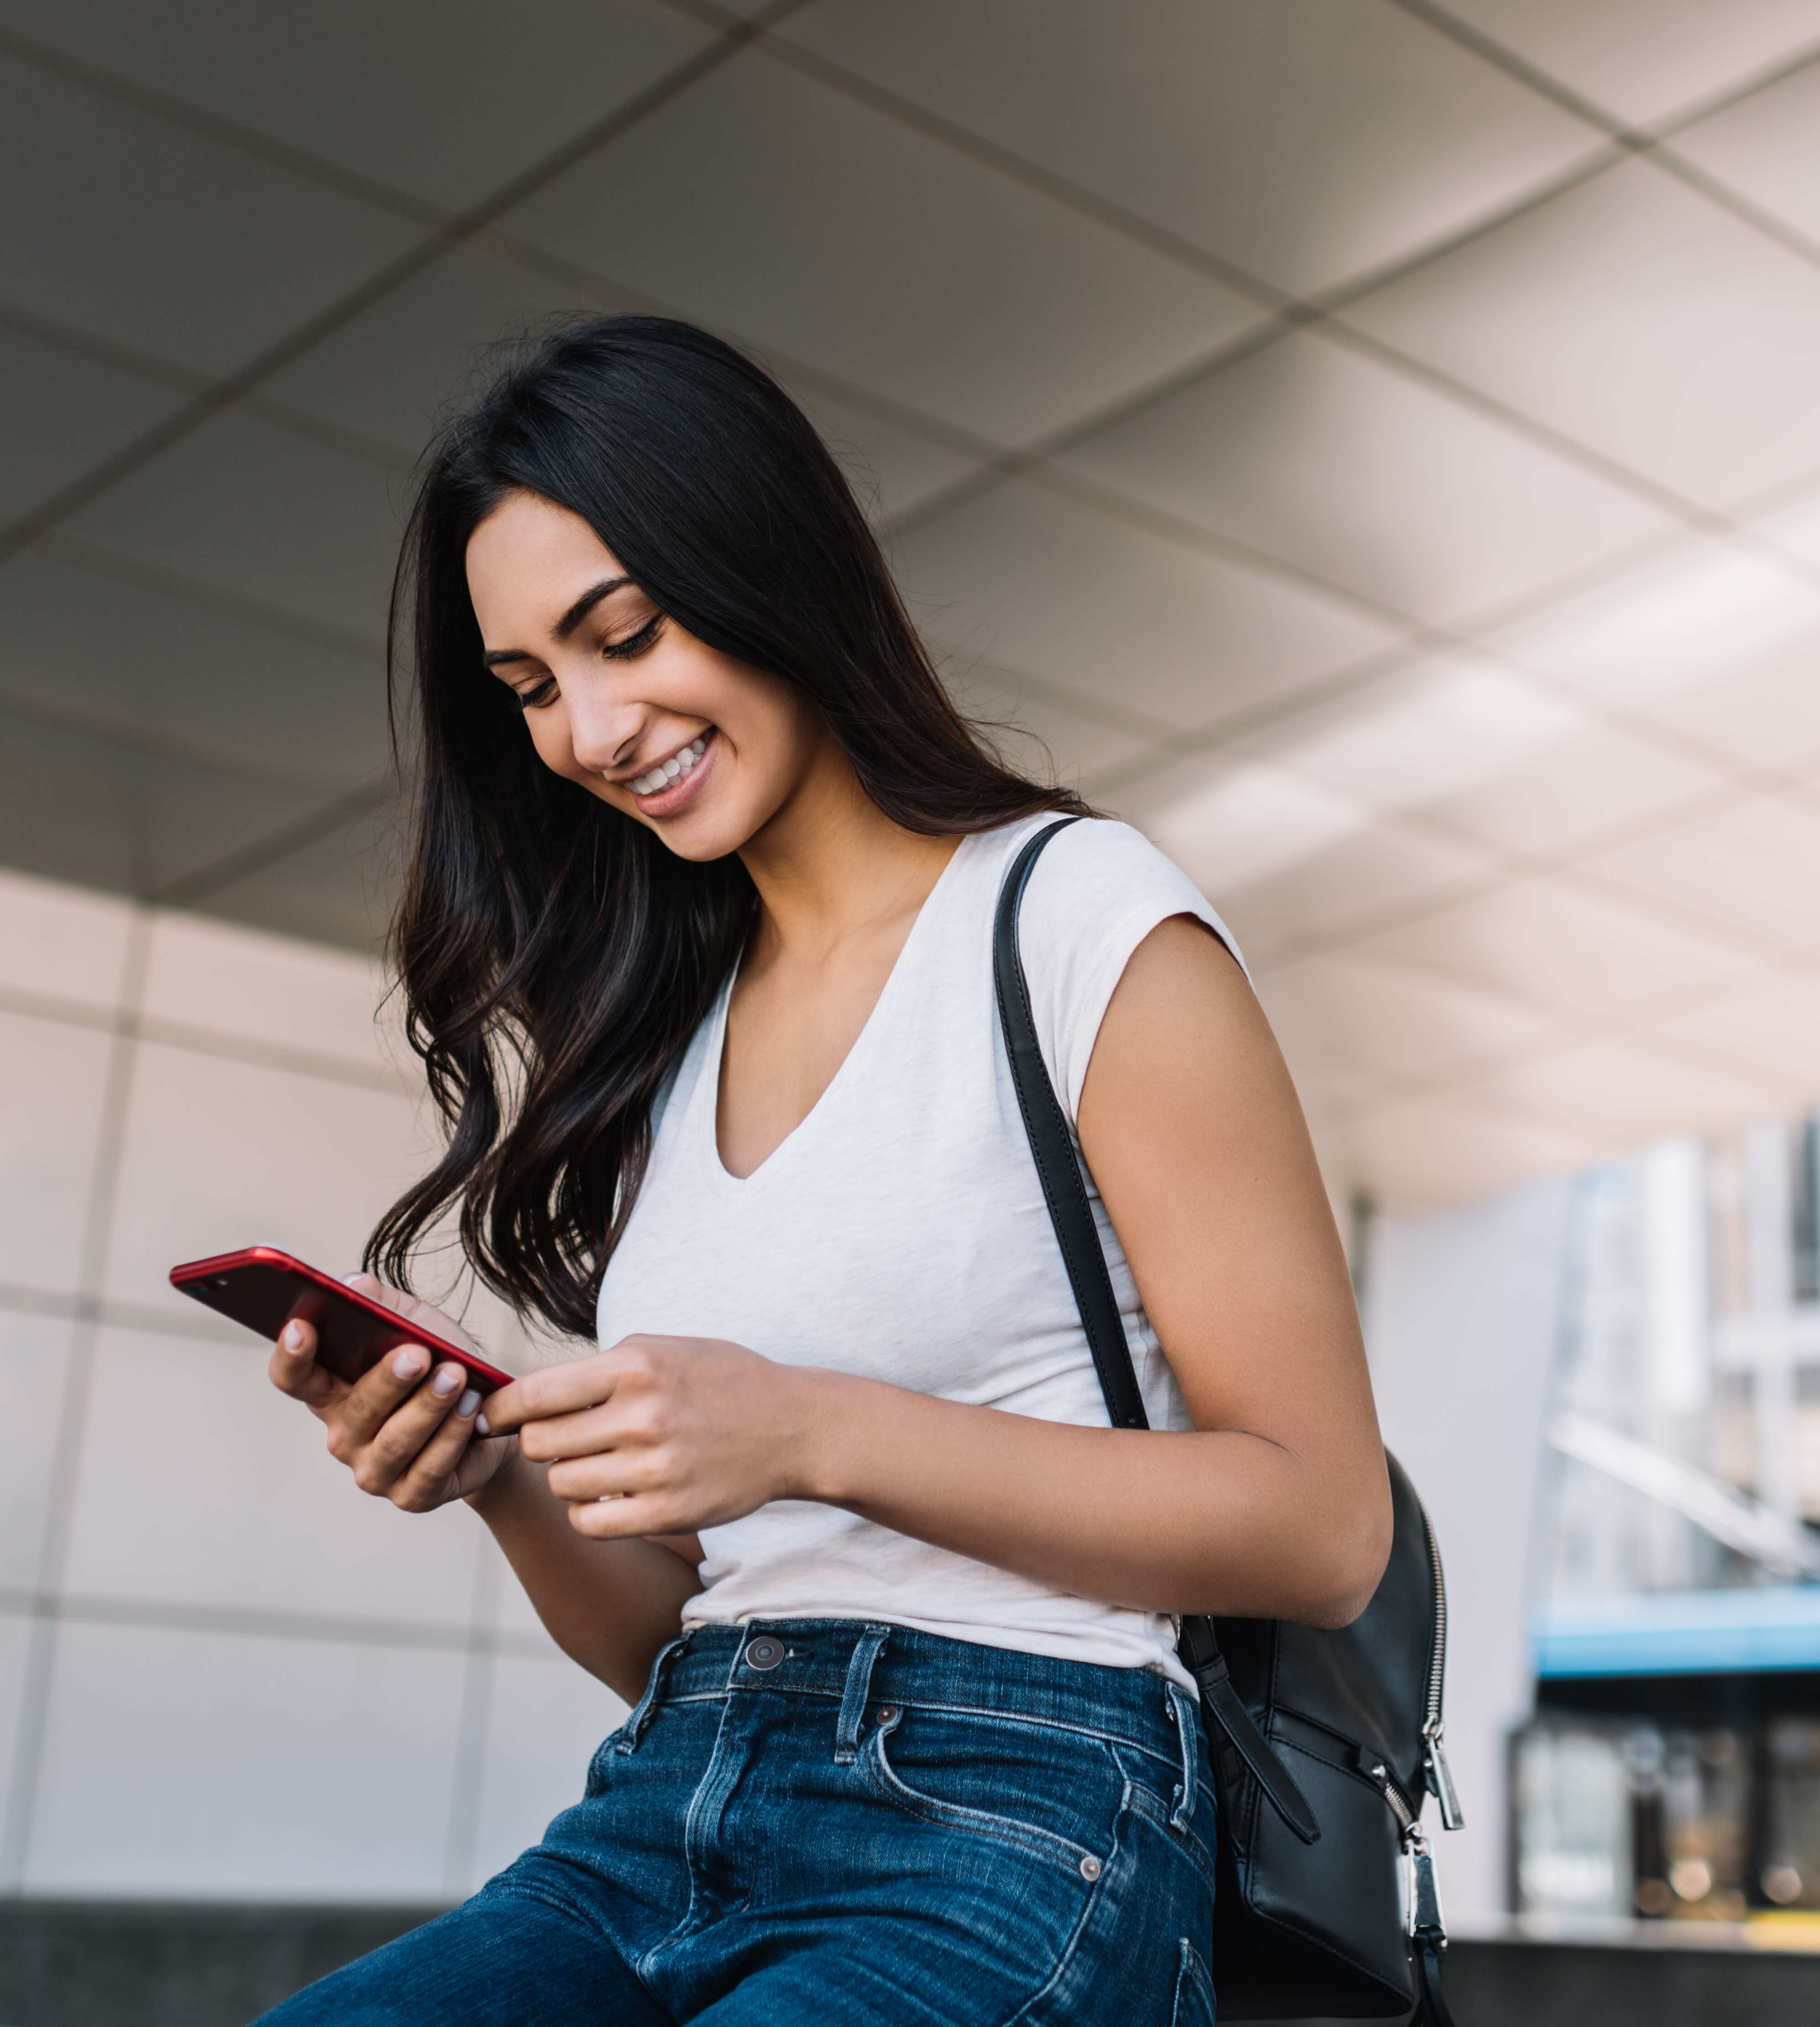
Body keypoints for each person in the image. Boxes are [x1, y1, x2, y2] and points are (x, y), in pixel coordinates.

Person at [253, 316, 1390, 2027]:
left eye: (623, 636)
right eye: (533, 689)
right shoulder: (665, 1034)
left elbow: (1321, 1523)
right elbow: (678, 1633)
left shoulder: (1078, 921)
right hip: (676, 1791)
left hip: (1023, 1810)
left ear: (764, 562)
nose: (589, 728)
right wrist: (494, 1471)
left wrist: (809, 1425)